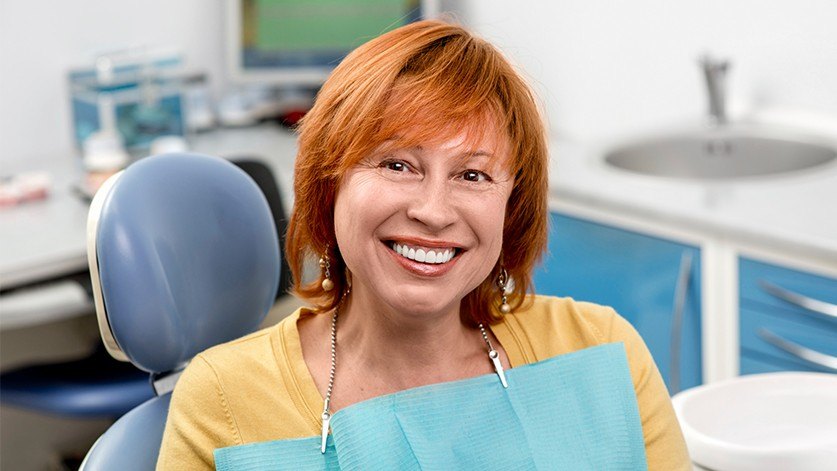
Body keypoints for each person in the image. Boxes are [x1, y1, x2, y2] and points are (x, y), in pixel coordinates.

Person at [157, 19, 690, 470]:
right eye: (397, 164)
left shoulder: (601, 351)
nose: (433, 211)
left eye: (474, 176)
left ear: (512, 207)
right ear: (329, 184)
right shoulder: (223, 402)